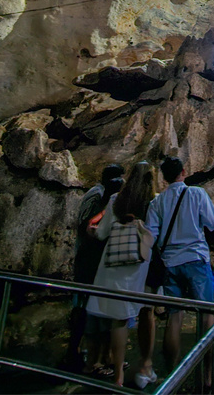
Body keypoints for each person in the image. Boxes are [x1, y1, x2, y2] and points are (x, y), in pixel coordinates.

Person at [146, 156, 214, 384]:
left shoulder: (156, 203)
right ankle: (207, 378)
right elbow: (213, 223)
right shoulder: (197, 194)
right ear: (184, 172)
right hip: (196, 260)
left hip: (170, 264)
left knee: (174, 317)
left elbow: (151, 235)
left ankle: (172, 375)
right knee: (206, 315)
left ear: (164, 177)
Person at [86, 162, 157, 388]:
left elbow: (102, 233)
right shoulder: (152, 202)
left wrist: (92, 231)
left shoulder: (116, 199)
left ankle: (117, 376)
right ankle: (145, 365)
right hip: (137, 264)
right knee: (137, 312)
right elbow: (155, 234)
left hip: (113, 260)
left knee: (118, 319)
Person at [65, 164, 123, 370]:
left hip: (99, 257)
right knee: (82, 304)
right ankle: (75, 350)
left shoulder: (107, 196)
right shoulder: (96, 194)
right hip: (87, 257)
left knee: (98, 305)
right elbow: (85, 224)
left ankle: (98, 353)